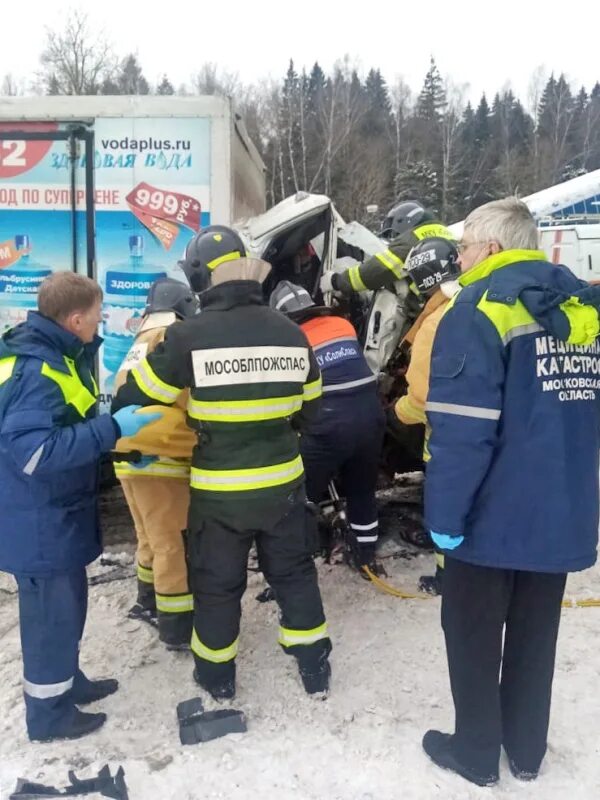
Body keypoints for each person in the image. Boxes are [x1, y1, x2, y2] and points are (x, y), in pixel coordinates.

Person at [421, 197, 600, 787]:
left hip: (491, 516)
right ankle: (527, 751)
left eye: (466, 245)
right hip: (561, 510)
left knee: (471, 633)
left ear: (493, 248)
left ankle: (474, 752)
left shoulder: (478, 309)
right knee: (534, 633)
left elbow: (462, 428)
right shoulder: (578, 305)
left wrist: (445, 515)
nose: (461, 257)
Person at [112, 225, 332, 700]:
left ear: (197, 277)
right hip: (284, 486)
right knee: (294, 573)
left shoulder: (189, 336)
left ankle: (217, 677)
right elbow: (312, 409)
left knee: (216, 584)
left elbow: (132, 400)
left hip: (220, 491)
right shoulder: (291, 332)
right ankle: (314, 666)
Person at [0, 272, 160, 742]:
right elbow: (36, 454)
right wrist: (111, 430)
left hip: (54, 513)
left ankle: (66, 684)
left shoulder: (56, 356)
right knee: (51, 618)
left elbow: (64, 432)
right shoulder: (36, 370)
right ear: (74, 319)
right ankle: (49, 717)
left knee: (68, 609)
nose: (101, 321)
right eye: (97, 314)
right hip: (37, 520)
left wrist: (120, 454)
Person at [270, 280, 385, 572]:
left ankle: (296, 562)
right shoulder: (341, 323)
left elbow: (290, 392)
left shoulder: (288, 337)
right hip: (370, 416)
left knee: (303, 495)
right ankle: (365, 555)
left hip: (329, 423)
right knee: (362, 490)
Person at [113, 277, 199, 650]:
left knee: (149, 538)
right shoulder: (173, 336)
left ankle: (147, 601)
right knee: (173, 544)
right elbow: (188, 396)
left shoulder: (139, 340)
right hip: (162, 452)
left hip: (127, 454)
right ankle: (177, 627)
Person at [385, 237, 461, 591]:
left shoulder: (435, 320)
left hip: (447, 440)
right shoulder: (479, 301)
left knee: (446, 514)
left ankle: (448, 577)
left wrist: (392, 413)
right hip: (491, 434)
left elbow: (421, 399)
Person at [320, 200, 454, 296]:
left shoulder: (410, 240)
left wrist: (336, 281)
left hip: (432, 301)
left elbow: (380, 269)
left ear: (404, 222)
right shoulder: (444, 232)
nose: (394, 239)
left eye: (394, 234)